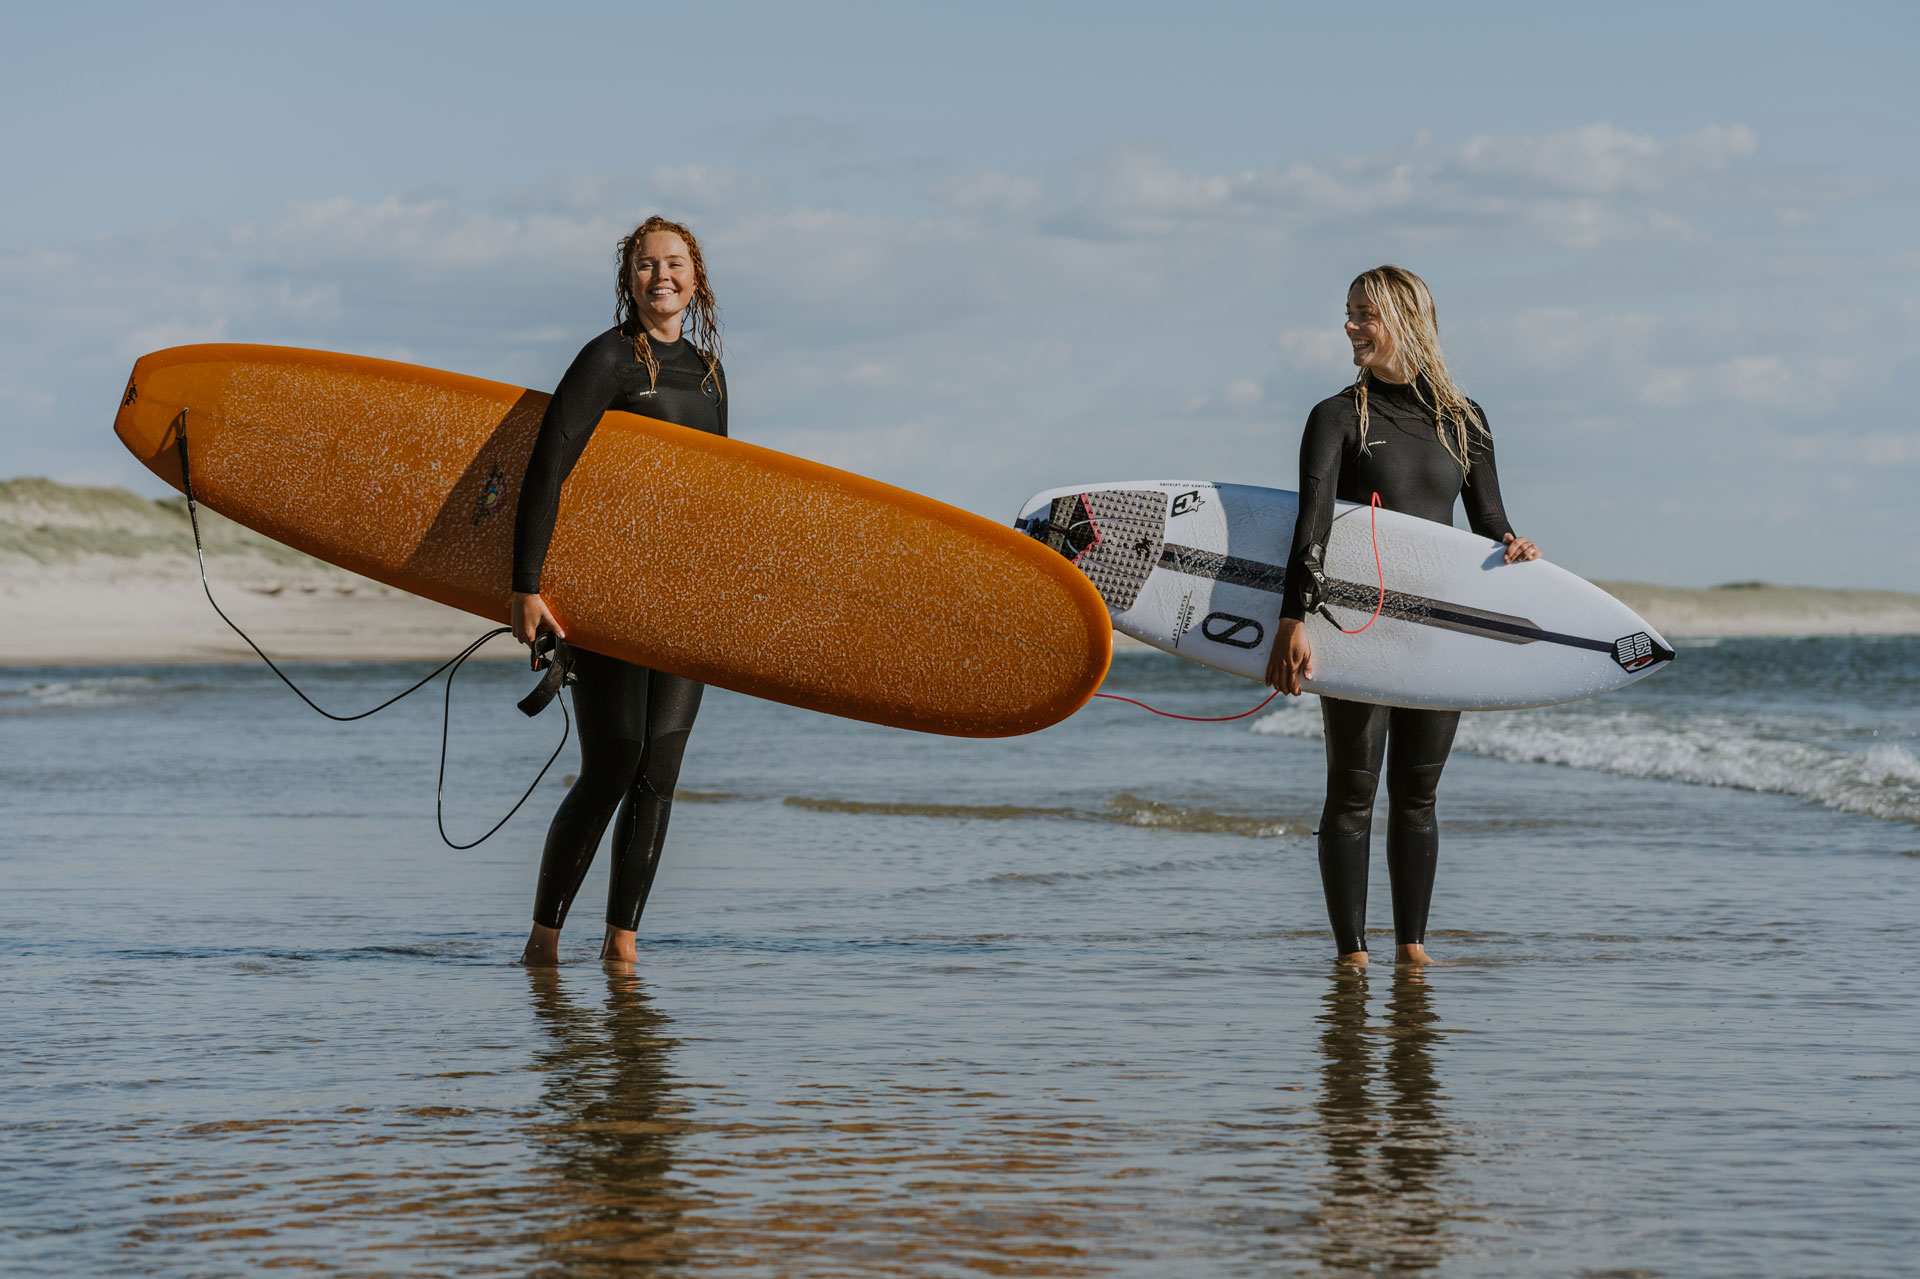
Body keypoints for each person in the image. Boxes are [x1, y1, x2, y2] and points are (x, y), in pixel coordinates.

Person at [1266, 265, 1539, 968]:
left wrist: (1514, 548)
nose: (1351, 326)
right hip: (1356, 626)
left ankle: (1412, 946)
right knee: (1353, 789)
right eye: (1350, 313)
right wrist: (1294, 618)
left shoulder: (1464, 419)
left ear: (1406, 321)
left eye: (1366, 314)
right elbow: (1313, 521)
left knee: (1418, 793)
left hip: (1437, 629)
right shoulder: (1337, 416)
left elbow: (1488, 521)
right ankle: (1352, 952)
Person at [510, 215, 727, 966]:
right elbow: (548, 465)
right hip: (606, 590)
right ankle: (544, 943)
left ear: (696, 279)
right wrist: (526, 586)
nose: (660, 276)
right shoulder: (606, 360)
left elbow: (716, 495)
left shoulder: (707, 373)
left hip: (684, 598)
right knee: (613, 761)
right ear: (627, 279)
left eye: (674, 263)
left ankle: (622, 949)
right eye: (645, 264)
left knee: (659, 770)